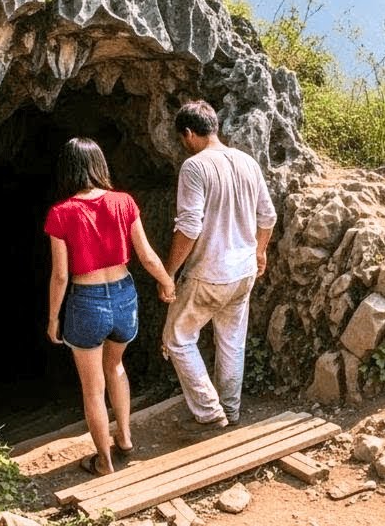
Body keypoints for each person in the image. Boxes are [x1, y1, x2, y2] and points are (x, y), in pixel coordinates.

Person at [45, 137, 177, 476]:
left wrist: (53, 318)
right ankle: (126, 438)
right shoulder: (124, 202)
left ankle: (104, 461)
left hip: (86, 300)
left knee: (93, 389)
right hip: (123, 295)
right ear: (99, 165)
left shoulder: (61, 213)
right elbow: (147, 255)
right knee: (116, 367)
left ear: (67, 169)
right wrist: (166, 281)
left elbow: (60, 275)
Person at [162, 100, 277, 431]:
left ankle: (210, 411)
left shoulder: (194, 167)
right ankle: (230, 408)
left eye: (182, 139)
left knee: (177, 337)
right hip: (244, 271)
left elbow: (190, 226)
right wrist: (260, 252)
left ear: (188, 133)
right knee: (231, 341)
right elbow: (268, 216)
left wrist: (169, 272)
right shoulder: (247, 162)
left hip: (210, 271)